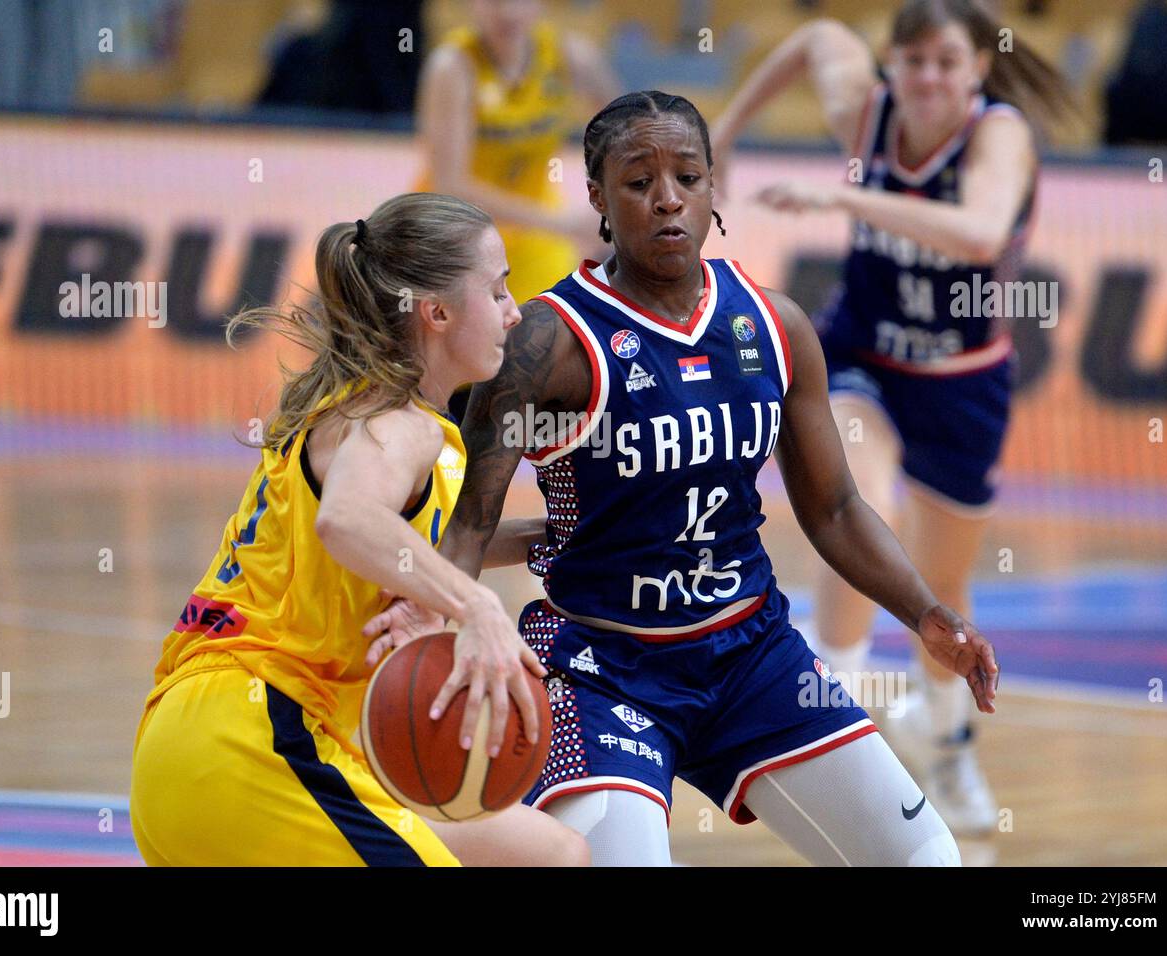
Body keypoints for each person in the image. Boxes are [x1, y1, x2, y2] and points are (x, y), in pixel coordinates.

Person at [366, 92, 998, 866]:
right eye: (638, 181)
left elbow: (833, 508)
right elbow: (467, 522)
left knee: (929, 860)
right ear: (597, 196)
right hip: (603, 668)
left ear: (712, 187)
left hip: (754, 655)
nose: (667, 198)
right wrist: (442, 623)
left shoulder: (774, 325)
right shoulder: (548, 340)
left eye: (688, 177)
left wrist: (926, 612)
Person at [129, 192, 588, 867]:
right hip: (256, 738)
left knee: (553, 855)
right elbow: (347, 519)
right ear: (435, 312)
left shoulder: (378, 413)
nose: (514, 312)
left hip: (209, 743)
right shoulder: (392, 422)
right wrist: (476, 607)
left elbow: (395, 544)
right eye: (497, 291)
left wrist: (554, 536)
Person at [710, 0, 1073, 834]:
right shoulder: (863, 109)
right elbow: (811, 36)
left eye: (947, 62)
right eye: (913, 61)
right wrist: (725, 129)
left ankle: (945, 744)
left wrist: (846, 203)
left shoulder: (998, 135)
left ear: (979, 67)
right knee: (857, 511)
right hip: (859, 357)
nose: (929, 78)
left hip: (960, 374)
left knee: (941, 584)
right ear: (893, 65)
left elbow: (980, 234)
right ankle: (822, 719)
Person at [415, 0, 620, 310]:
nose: (508, 12)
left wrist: (614, 200)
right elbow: (450, 186)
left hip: (535, 237)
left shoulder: (573, 57)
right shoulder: (453, 67)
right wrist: (563, 224)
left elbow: (630, 135)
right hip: (454, 233)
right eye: (494, 2)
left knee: (562, 332)